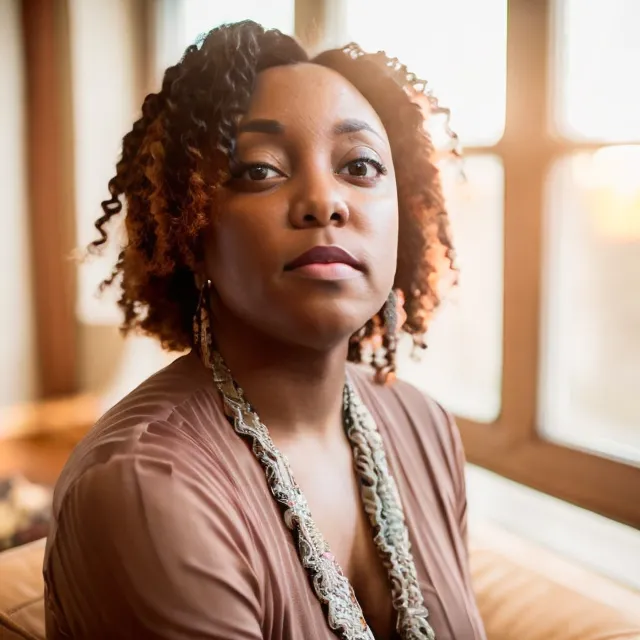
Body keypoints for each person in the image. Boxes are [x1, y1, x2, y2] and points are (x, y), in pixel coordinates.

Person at [43, 20, 486, 640]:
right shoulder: (147, 489)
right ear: (190, 229)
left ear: (403, 220)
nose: (323, 202)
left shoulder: (426, 426)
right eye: (259, 170)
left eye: (359, 166)